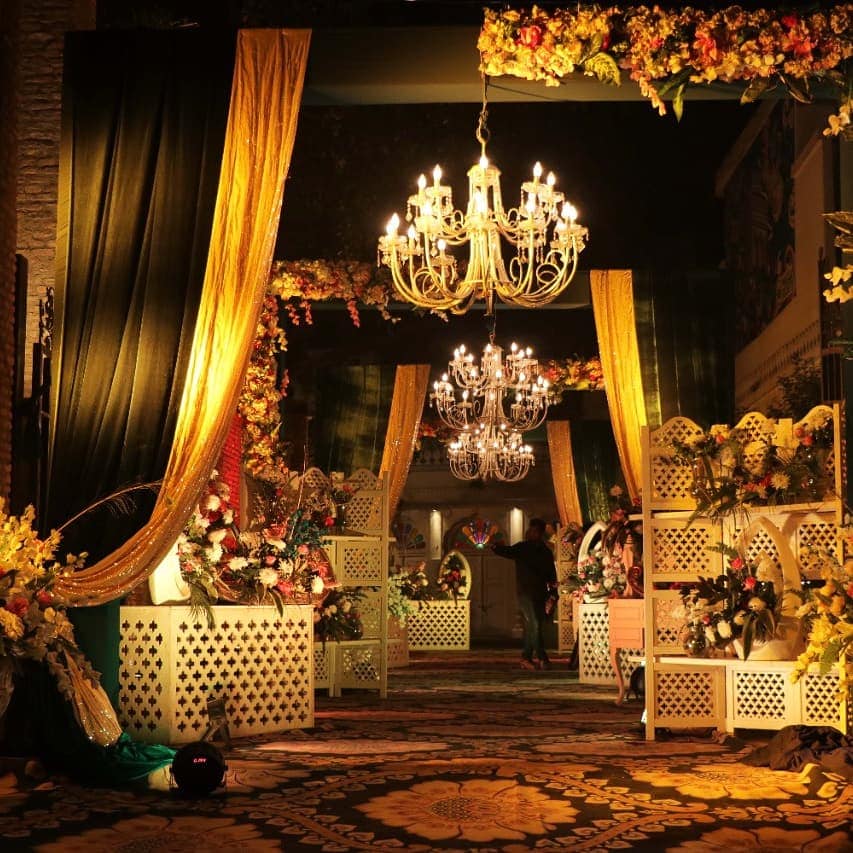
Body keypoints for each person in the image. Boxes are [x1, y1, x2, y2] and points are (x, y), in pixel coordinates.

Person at [492, 518, 557, 670]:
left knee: (533, 626)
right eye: (530, 530)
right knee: (535, 624)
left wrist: (553, 595)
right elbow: (507, 551)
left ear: (539, 533)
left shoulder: (545, 552)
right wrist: (495, 546)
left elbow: (551, 575)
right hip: (526, 594)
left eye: (534, 531)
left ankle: (526, 658)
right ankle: (542, 658)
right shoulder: (523, 547)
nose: (529, 533)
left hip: (539, 593)